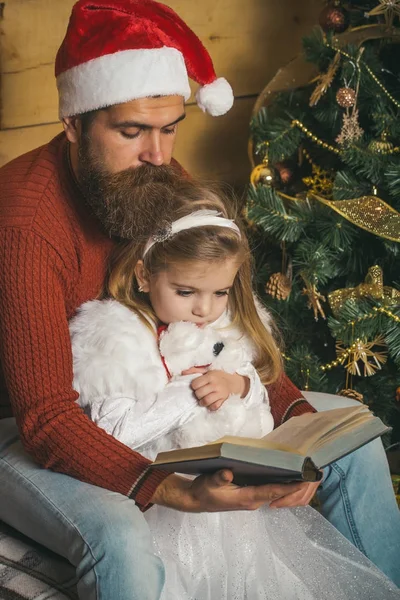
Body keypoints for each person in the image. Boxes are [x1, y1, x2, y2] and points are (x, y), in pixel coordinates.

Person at [0, 1, 398, 598]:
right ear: (75, 123)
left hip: (162, 395)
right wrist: (169, 488)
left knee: (354, 450)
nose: (157, 154)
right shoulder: (26, 221)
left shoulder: (157, 179)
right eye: (132, 131)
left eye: (169, 128)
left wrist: (298, 429)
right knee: (121, 536)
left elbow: (230, 323)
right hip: (31, 431)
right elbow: (46, 418)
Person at [68, 182, 399, 599]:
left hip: (239, 506)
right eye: (185, 292)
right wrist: (188, 393)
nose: (204, 309)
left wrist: (238, 384)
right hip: (171, 504)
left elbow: (261, 395)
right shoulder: (118, 340)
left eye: (220, 293)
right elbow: (112, 435)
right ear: (144, 275)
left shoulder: (225, 330)